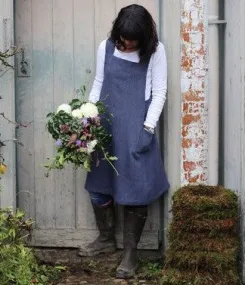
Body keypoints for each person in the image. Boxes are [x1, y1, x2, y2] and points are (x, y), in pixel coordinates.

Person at [78, 4, 170, 279]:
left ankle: (131, 253)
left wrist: (147, 128)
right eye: (123, 40)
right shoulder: (105, 47)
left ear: (144, 37)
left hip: (135, 128)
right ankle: (106, 240)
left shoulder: (156, 52)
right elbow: (98, 82)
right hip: (105, 126)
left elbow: (160, 92)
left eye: (132, 41)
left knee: (135, 189)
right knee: (98, 186)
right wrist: (87, 119)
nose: (126, 45)